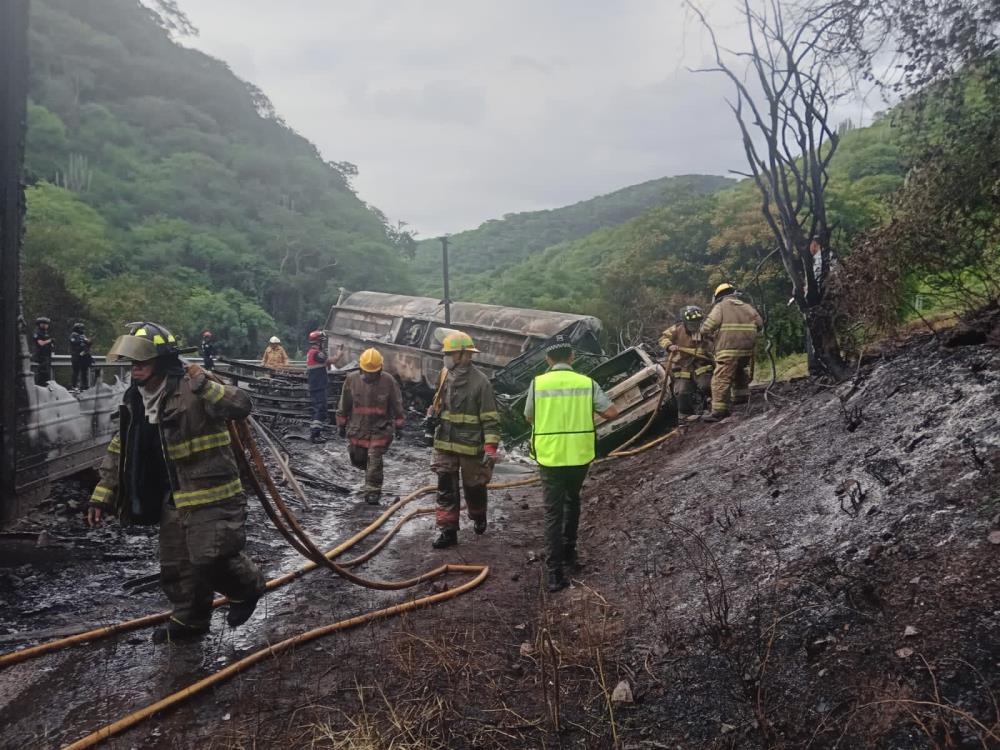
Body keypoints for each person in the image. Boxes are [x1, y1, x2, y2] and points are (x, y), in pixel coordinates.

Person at [86, 322, 265, 644]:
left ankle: (248, 588)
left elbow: (241, 406)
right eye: (132, 363)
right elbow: (121, 447)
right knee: (177, 564)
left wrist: (207, 387)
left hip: (211, 492)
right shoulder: (135, 398)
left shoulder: (193, 385)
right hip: (173, 495)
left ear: (162, 362)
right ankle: (189, 620)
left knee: (210, 556)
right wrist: (103, 495)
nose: (135, 370)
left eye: (142, 363)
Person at [524, 336, 619, 592]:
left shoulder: (538, 383)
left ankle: (555, 573)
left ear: (548, 359)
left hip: (549, 456)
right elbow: (611, 412)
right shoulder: (586, 383)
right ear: (572, 357)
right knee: (573, 500)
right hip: (579, 455)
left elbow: (529, 416)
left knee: (552, 512)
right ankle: (570, 553)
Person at [428, 329, 500, 549]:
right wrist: (432, 414)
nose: (445, 357)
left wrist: (490, 448)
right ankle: (447, 531)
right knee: (445, 488)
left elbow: (490, 418)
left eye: (449, 353)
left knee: (474, 487)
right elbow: (439, 404)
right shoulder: (444, 375)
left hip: (470, 446)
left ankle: (478, 516)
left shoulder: (481, 383)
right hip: (445, 443)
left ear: (463, 355)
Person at [336, 347, 405, 505]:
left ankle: (372, 492)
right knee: (358, 459)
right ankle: (369, 479)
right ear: (361, 368)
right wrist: (341, 424)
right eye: (367, 372)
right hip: (357, 428)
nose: (370, 375)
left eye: (373, 373)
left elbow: (397, 404)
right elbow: (344, 403)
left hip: (380, 429)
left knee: (374, 460)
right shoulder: (352, 380)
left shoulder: (388, 381)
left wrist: (399, 424)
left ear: (379, 369)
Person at [700, 283, 763, 422]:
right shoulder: (747, 307)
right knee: (739, 372)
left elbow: (706, 328)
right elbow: (760, 324)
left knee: (720, 379)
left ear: (718, 296)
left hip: (727, 350)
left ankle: (719, 411)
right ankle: (741, 397)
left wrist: (710, 336)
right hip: (747, 350)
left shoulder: (721, 307)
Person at [658, 306, 714, 420]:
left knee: (706, 384)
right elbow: (662, 338)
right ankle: (686, 415)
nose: (695, 326)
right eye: (692, 324)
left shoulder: (703, 329)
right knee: (682, 391)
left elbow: (714, 340)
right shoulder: (677, 329)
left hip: (700, 363)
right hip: (682, 365)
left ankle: (715, 404)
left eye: (697, 323)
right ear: (685, 322)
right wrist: (669, 346)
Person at [306, 330, 329, 443]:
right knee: (320, 408)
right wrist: (340, 354)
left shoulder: (312, 352)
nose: (323, 343)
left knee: (320, 408)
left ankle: (317, 433)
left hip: (316, 385)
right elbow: (329, 360)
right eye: (322, 341)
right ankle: (315, 435)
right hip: (318, 385)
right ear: (318, 342)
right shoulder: (316, 353)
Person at [69, 322, 93, 392]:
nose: (82, 330)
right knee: (76, 371)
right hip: (76, 355)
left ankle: (84, 386)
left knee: (84, 371)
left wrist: (88, 342)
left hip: (84, 355)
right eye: (81, 328)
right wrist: (83, 341)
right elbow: (74, 342)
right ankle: (73, 386)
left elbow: (88, 344)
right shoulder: (73, 335)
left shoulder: (83, 335)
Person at [32, 316, 53, 386]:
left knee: (47, 373)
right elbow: (40, 343)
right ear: (40, 324)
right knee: (41, 372)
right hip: (40, 356)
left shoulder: (46, 333)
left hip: (47, 355)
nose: (46, 325)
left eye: (47, 324)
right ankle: (40, 386)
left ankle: (46, 386)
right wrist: (50, 341)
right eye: (44, 323)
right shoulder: (37, 333)